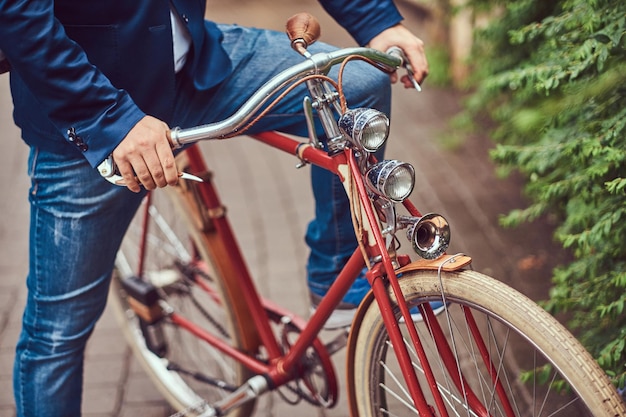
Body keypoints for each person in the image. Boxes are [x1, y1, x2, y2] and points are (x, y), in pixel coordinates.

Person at [0, 0, 428, 415]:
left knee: (357, 86)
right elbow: (18, 14)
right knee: (56, 334)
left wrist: (375, 20)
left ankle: (336, 274)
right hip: (102, 107)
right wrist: (110, 120)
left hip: (197, 65)